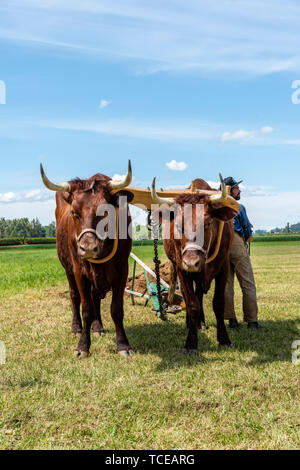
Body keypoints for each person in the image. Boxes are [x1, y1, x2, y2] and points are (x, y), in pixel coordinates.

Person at [222, 177, 263, 329]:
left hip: (222, 247)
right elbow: (246, 228)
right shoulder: (239, 206)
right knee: (248, 283)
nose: (239, 191)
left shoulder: (218, 206)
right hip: (236, 244)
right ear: (229, 190)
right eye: (236, 188)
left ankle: (231, 319)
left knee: (227, 284)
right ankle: (252, 321)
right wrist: (249, 234)